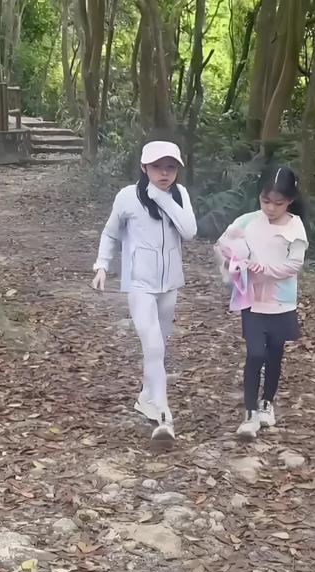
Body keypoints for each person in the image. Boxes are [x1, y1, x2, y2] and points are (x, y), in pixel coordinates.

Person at [92, 140, 197, 442]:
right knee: (153, 347)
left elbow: (190, 232)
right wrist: (102, 266)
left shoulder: (179, 194)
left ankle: (145, 397)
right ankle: (163, 415)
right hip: (139, 284)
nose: (164, 173)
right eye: (157, 167)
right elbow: (110, 233)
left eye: (170, 167)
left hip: (170, 283)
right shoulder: (128, 197)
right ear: (144, 167)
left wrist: (163, 198)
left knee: (159, 345)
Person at [215, 166, 308, 439]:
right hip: (251, 300)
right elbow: (222, 246)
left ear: (290, 200)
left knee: (274, 354)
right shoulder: (247, 222)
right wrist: (232, 263)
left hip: (281, 303)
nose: (270, 208)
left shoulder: (295, 226)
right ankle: (250, 412)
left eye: (278, 203)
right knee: (255, 354)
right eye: (265, 201)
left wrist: (264, 269)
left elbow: (294, 264)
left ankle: (267, 402)